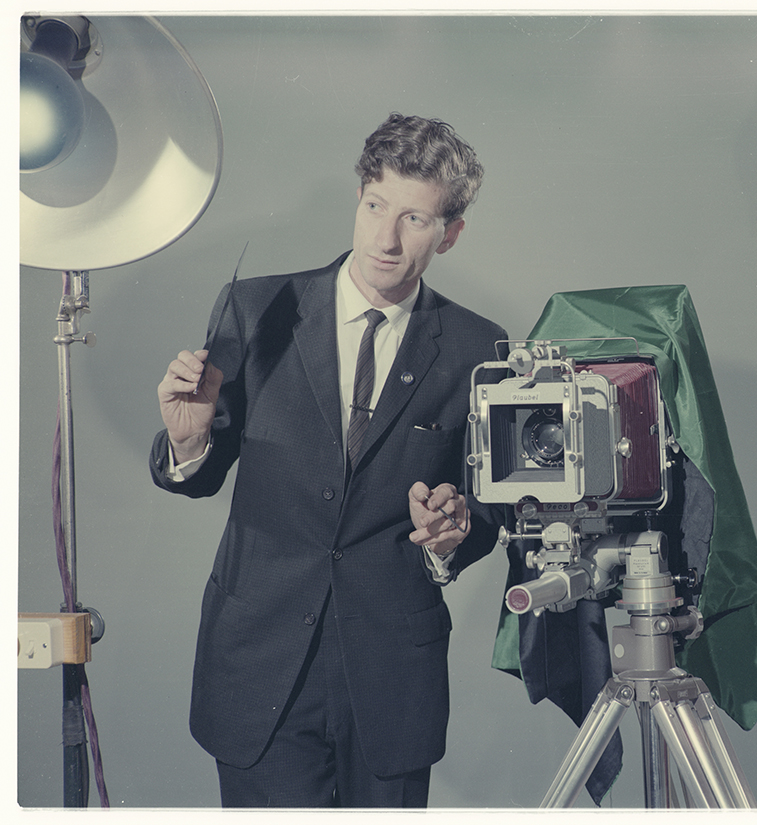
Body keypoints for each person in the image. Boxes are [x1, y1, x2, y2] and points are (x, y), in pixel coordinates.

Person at [150, 113, 507, 808]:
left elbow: (483, 506)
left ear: (450, 233)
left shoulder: (477, 346)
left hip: (391, 680)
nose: (385, 237)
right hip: (257, 667)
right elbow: (202, 468)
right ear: (359, 195)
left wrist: (455, 532)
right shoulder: (256, 310)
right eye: (376, 205)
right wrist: (189, 441)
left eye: (414, 218)